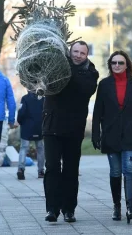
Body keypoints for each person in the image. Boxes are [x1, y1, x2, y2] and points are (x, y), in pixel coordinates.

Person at [43, 40, 99, 223]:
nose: (77, 55)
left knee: (70, 170)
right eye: (75, 51)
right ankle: (52, 209)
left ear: (86, 55)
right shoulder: (55, 65)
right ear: (69, 51)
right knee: (51, 168)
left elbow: (84, 89)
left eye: (82, 53)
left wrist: (66, 70)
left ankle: (69, 209)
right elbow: (47, 84)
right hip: (52, 126)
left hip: (74, 129)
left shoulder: (91, 72)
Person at [91, 50, 132, 224]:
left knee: (129, 170)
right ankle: (117, 207)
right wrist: (95, 134)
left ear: (126, 65)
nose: (117, 65)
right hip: (110, 134)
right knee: (115, 172)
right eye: (113, 63)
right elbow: (98, 110)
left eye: (120, 63)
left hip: (130, 134)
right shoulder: (104, 84)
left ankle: (131, 208)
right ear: (110, 65)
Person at [16, 91, 45, 180]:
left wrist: (20, 121)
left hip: (27, 127)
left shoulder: (25, 98)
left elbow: (21, 112)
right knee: (40, 148)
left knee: (24, 148)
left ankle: (21, 169)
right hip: (39, 127)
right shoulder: (43, 99)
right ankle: (41, 171)